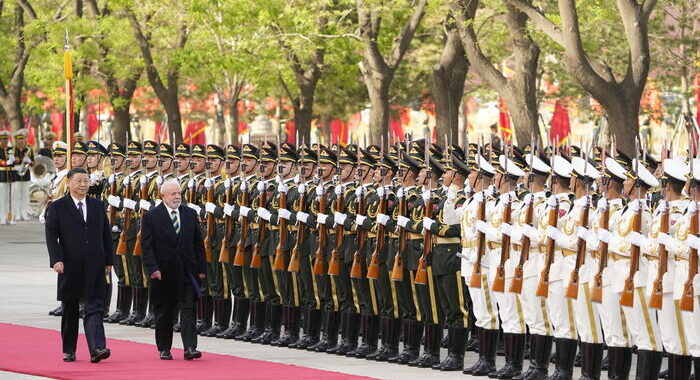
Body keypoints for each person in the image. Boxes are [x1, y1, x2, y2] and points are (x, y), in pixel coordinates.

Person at [44, 167, 113, 363]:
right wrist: (55, 259)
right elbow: (51, 236)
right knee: (70, 308)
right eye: (79, 181)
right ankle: (69, 349)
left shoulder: (98, 206)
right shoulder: (58, 207)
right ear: (69, 182)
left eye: (86, 181)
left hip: (95, 264)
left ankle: (97, 348)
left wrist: (109, 260)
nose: (83, 185)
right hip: (69, 265)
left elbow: (105, 235)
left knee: (95, 306)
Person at [140, 179, 206, 360]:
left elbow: (198, 244)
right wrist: (153, 268)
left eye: (179, 193)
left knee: (188, 309)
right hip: (163, 272)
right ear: (163, 196)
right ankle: (164, 348)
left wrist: (201, 268)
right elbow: (147, 246)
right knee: (165, 311)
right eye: (173, 194)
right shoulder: (152, 216)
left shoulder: (190, 214)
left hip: (186, 271)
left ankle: (190, 347)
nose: (177, 197)